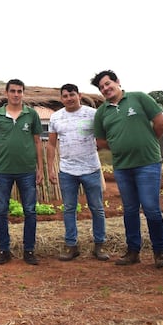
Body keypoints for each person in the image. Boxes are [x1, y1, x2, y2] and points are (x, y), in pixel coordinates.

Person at [91, 70, 163, 268]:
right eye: (101, 87)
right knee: (130, 210)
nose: (106, 89)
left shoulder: (139, 98)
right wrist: (120, 147)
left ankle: (159, 252)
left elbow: (161, 123)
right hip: (122, 167)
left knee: (151, 209)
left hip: (148, 164)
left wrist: (148, 142)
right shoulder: (102, 112)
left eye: (108, 84)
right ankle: (133, 251)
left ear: (117, 82)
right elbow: (101, 140)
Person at [46, 84, 109, 262]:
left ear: (79, 95)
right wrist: (51, 168)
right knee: (69, 209)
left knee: (97, 208)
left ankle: (99, 245)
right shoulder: (56, 117)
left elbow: (102, 137)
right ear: (61, 99)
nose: (69, 98)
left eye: (72, 95)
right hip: (67, 171)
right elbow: (51, 144)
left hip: (91, 169)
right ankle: (71, 245)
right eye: (65, 96)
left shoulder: (92, 114)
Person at [0, 79, 44, 265]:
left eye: (20, 91)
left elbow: (37, 142)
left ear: (23, 93)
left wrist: (40, 168)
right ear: (6, 93)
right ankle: (4, 250)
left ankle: (29, 250)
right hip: (2, 171)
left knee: (30, 211)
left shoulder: (32, 115)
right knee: (1, 210)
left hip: (27, 171)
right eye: (13, 91)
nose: (16, 94)